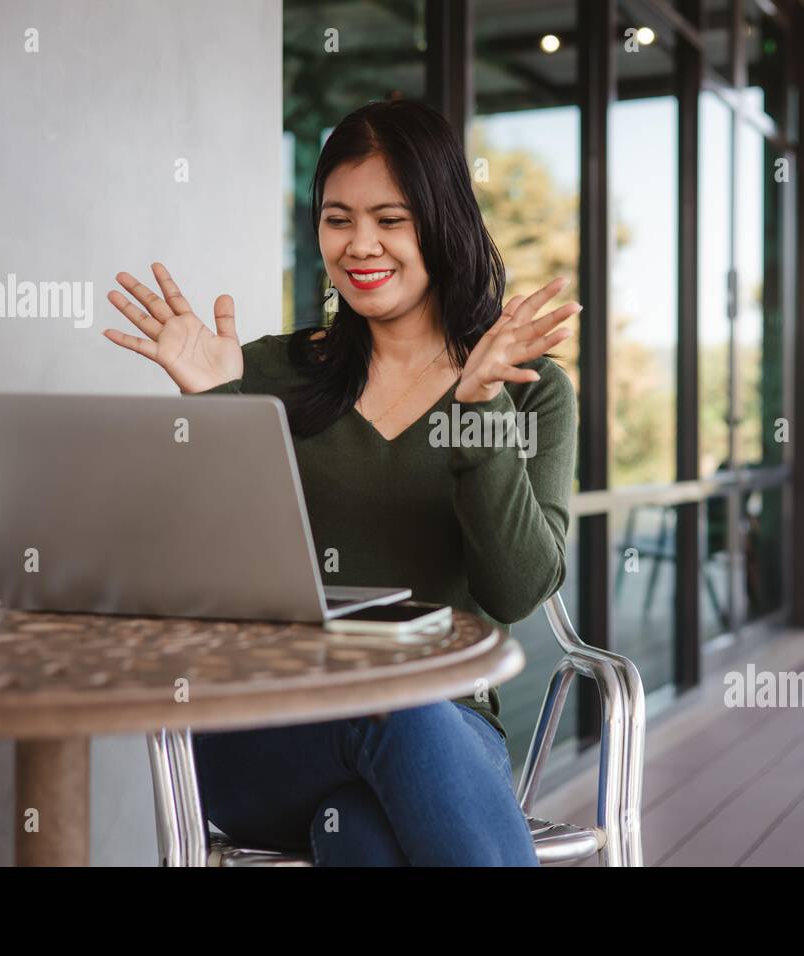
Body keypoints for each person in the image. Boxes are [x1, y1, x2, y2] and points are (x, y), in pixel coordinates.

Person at [101, 99, 579, 866]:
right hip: (265, 729)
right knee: (390, 707)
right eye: (337, 219)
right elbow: (204, 573)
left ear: (443, 221)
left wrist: (480, 417)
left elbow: (516, 590)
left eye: (391, 220)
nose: (361, 245)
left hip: (443, 735)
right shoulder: (260, 371)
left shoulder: (528, 390)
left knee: (360, 833)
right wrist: (214, 408)